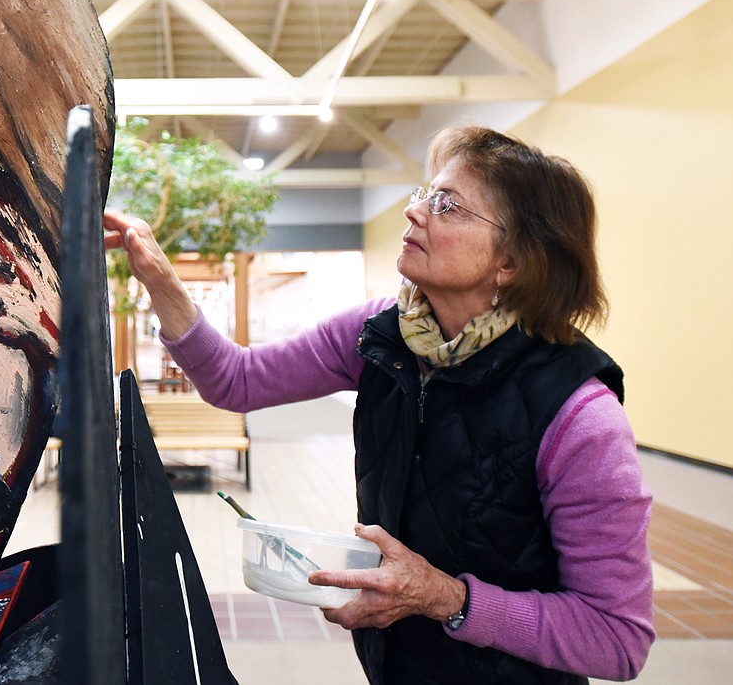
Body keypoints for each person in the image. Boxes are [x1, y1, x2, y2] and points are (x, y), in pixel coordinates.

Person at [103, 125, 654, 684]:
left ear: (510, 262)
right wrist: (158, 277)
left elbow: (616, 638)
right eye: (425, 194)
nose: (416, 214)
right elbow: (236, 380)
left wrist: (444, 597)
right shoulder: (379, 334)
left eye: (448, 206)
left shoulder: (579, 415)